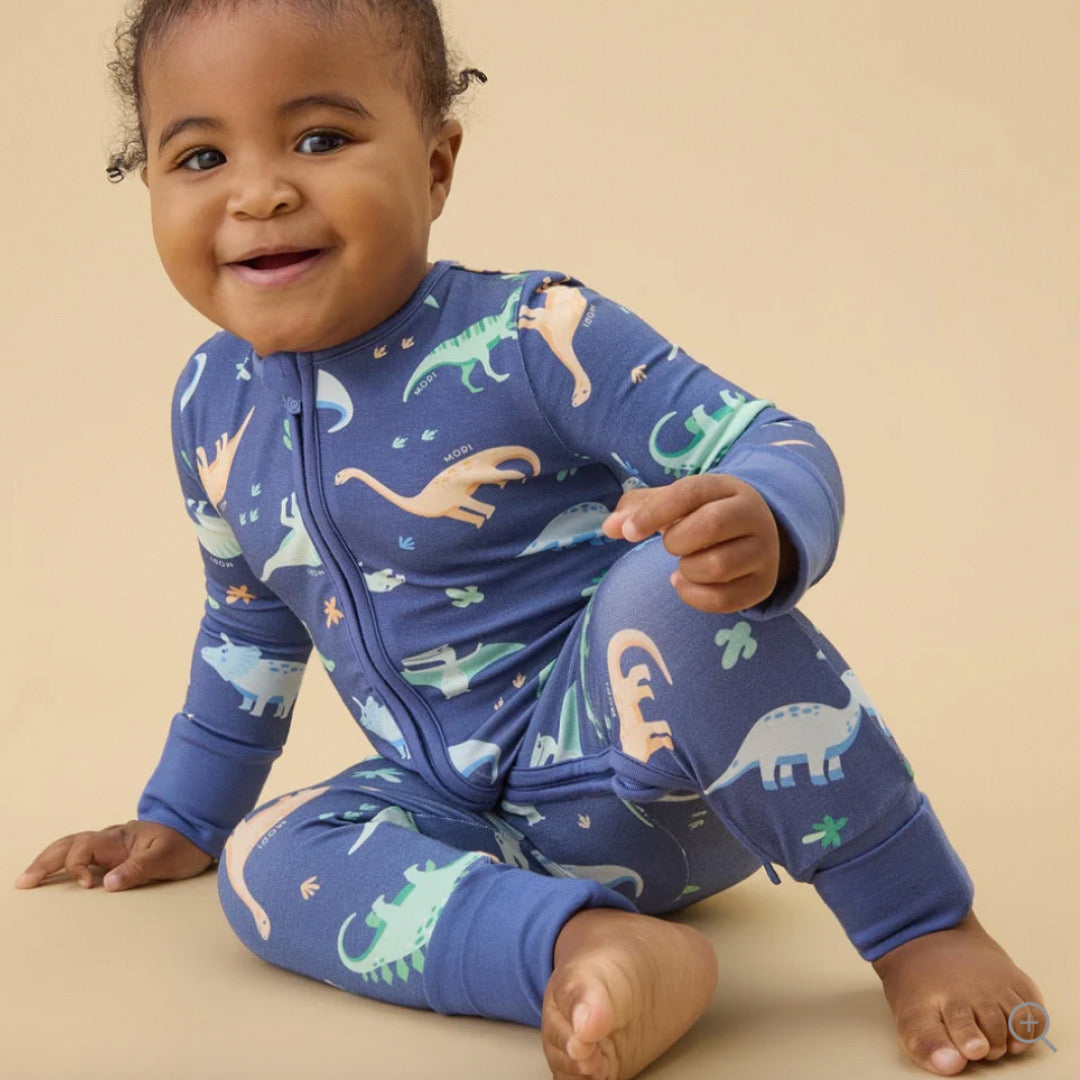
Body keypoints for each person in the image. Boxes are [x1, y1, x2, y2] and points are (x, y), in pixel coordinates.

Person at [15, 2, 1045, 1077]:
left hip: (651, 768)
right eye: (201, 156)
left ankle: (923, 926)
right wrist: (182, 817)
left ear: (436, 166)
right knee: (265, 861)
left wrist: (768, 517)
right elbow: (248, 627)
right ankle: (584, 952)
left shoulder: (535, 336)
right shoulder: (209, 407)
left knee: (668, 593)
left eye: (320, 138)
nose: (259, 192)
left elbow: (771, 439)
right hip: (462, 811)